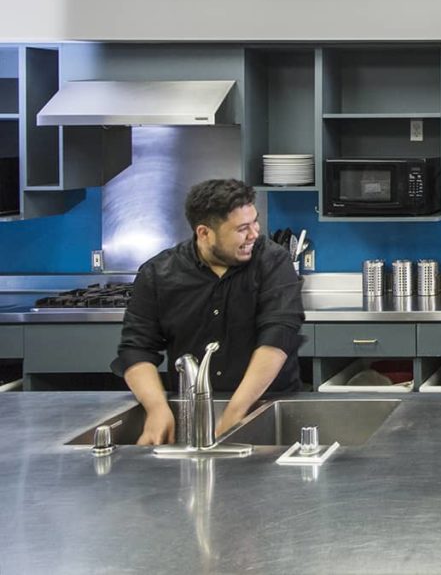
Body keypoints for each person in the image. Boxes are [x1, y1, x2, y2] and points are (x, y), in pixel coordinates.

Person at [111, 179, 304, 444]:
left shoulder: (273, 261)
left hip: (264, 406)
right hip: (189, 408)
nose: (254, 234)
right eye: (242, 229)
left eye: (254, 222)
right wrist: (156, 408)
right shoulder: (158, 273)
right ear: (204, 233)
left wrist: (235, 412)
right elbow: (137, 350)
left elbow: (278, 337)